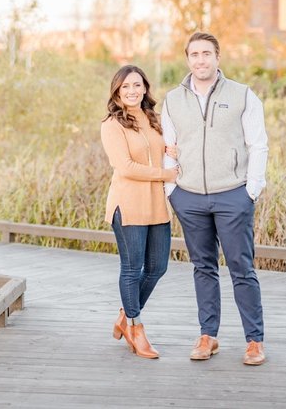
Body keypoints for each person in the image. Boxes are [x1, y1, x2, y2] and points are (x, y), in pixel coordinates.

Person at [162, 31, 269, 366]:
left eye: (206, 53)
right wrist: (172, 190)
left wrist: (251, 189)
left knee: (241, 268)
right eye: (194, 54)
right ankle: (208, 335)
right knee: (202, 267)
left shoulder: (242, 95)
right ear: (187, 59)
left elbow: (258, 144)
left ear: (217, 57)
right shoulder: (172, 100)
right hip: (189, 197)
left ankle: (254, 341)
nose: (201, 60)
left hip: (232, 195)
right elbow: (169, 147)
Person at [101, 65, 178, 359]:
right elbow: (126, 167)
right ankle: (135, 327)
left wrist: (173, 154)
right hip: (128, 205)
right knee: (132, 270)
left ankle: (125, 314)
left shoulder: (154, 118)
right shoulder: (112, 125)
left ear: (145, 88)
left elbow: (164, 150)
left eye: (137, 85)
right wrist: (165, 174)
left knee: (158, 267)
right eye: (125, 87)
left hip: (157, 205)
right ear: (117, 92)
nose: (132, 91)